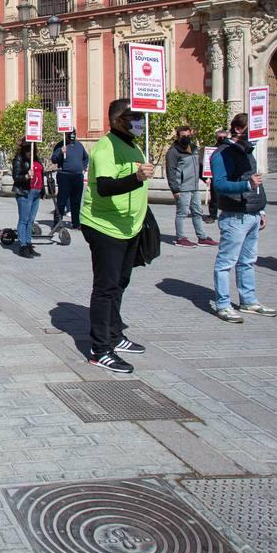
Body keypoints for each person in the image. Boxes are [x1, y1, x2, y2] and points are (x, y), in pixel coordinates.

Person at [79, 99, 153, 374]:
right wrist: (136, 178)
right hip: (104, 227)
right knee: (106, 287)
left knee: (121, 282)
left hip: (128, 227)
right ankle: (100, 350)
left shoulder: (133, 146)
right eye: (134, 118)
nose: (139, 123)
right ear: (116, 119)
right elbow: (106, 187)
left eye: (141, 118)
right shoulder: (105, 147)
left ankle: (114, 334)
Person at [209, 113, 277, 323]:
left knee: (247, 261)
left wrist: (261, 209)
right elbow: (219, 184)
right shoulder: (222, 154)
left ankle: (248, 301)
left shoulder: (246, 151)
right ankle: (223, 304)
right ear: (239, 129)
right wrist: (246, 186)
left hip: (252, 213)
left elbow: (255, 179)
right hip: (234, 216)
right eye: (252, 128)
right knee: (225, 263)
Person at [165, 125, 217, 248]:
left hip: (194, 187)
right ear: (178, 136)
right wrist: (175, 189)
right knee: (182, 213)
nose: (186, 138)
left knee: (197, 212)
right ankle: (180, 238)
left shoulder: (193, 148)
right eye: (183, 136)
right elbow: (170, 171)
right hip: (182, 188)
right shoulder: (173, 152)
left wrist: (205, 179)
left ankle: (202, 237)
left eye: (188, 135)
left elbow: (197, 166)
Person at [11, 138, 45, 258]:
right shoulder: (18, 159)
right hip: (25, 192)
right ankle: (23, 246)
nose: (32, 149)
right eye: (29, 146)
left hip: (36, 192)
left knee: (31, 220)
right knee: (24, 220)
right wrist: (26, 176)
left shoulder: (36, 158)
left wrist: (43, 190)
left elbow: (41, 174)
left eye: (33, 146)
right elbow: (16, 177)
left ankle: (29, 243)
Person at [51, 129, 88, 229]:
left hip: (77, 176)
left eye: (73, 134)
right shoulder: (60, 145)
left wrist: (84, 168)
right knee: (62, 201)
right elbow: (54, 159)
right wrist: (60, 152)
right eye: (70, 134)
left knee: (76, 201)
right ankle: (57, 223)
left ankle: (76, 223)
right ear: (66, 134)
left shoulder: (79, 145)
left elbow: (86, 158)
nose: (72, 135)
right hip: (64, 176)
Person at [204, 127, 227, 224]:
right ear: (216, 138)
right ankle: (212, 215)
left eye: (224, 137)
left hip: (228, 175)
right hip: (215, 176)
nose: (222, 139)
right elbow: (206, 163)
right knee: (214, 197)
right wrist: (207, 177)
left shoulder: (230, 149)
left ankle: (227, 214)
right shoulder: (212, 150)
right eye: (220, 137)